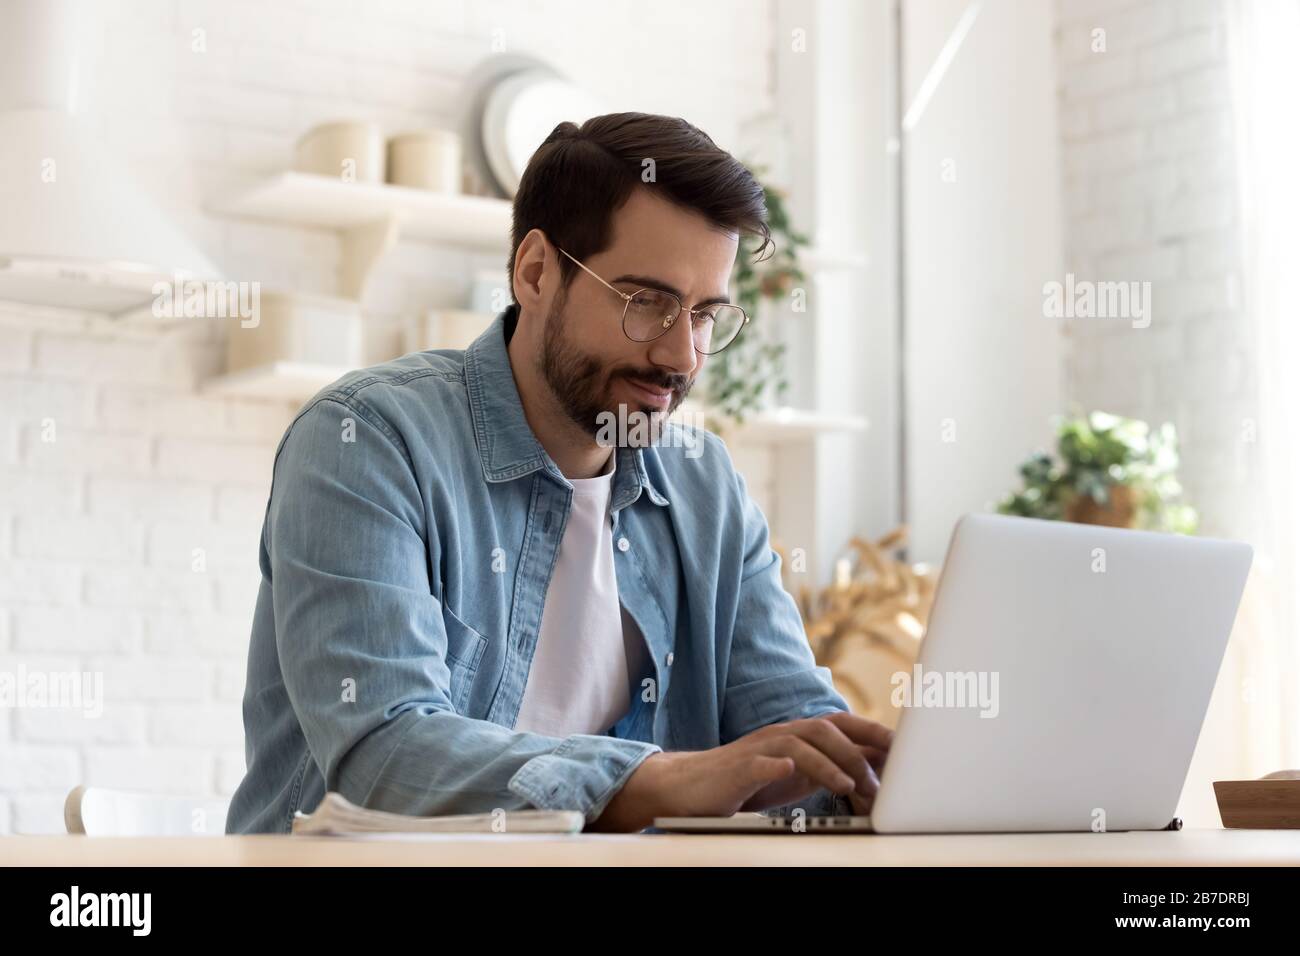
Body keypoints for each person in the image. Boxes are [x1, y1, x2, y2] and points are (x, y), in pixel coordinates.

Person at [226, 112, 891, 834]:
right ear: (536, 272)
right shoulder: (367, 443)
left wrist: (879, 777)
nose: (680, 357)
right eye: (647, 303)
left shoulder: (706, 489)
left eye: (703, 316)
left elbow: (796, 731)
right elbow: (383, 757)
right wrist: (657, 780)